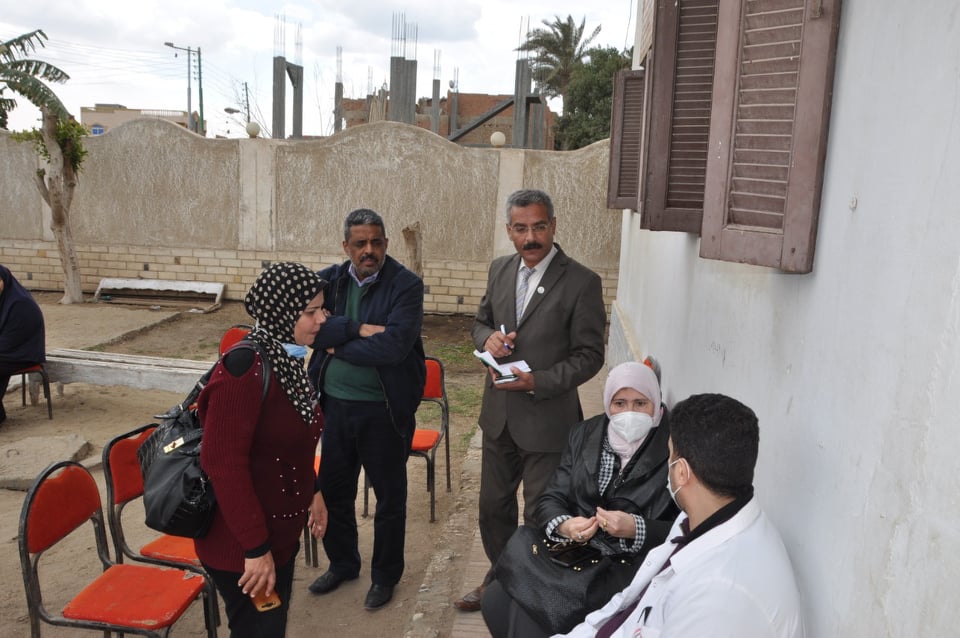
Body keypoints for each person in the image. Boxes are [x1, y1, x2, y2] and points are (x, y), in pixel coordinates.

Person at [455, 188, 606, 611]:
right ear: (509, 231)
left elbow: (590, 356)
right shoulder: (500, 270)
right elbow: (481, 322)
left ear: (553, 226)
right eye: (520, 229)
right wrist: (490, 341)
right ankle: (500, 580)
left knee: (540, 514)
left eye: (539, 226)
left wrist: (536, 379)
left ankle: (533, 591)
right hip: (498, 416)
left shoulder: (582, 282)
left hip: (547, 421)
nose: (530, 237)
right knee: (492, 511)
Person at [559, 393, 805, 637]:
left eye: (670, 456)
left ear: (681, 473)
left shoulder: (720, 599)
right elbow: (627, 604)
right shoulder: (697, 519)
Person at [481, 361, 679, 637]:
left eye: (640, 403)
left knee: (529, 621)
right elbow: (551, 497)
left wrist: (636, 528)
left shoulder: (673, 449)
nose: (629, 413)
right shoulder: (585, 434)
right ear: (608, 402)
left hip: (626, 567)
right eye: (619, 403)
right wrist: (566, 526)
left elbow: (685, 529)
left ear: (656, 406)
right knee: (496, 600)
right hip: (575, 555)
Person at [194, 261, 328, 637]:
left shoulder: (285, 358)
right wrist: (254, 549)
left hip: (277, 536)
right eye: (310, 311)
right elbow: (223, 463)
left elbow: (289, 444)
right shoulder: (243, 368)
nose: (322, 319)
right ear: (282, 312)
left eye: (322, 308)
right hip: (243, 548)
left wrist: (312, 490)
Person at [306, 208, 426, 611]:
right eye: (360, 243)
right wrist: (355, 329)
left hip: (385, 411)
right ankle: (343, 564)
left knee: (390, 500)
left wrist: (335, 340)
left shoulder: (406, 285)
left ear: (386, 243)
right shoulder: (327, 280)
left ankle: (385, 576)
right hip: (335, 409)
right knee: (335, 491)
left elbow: (394, 347)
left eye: (376, 242)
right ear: (346, 247)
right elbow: (309, 330)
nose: (369, 250)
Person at [0, 265, 46, 425]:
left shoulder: (20, 304)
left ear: (4, 280)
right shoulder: (3, 299)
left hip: (23, 353)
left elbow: (11, 342)